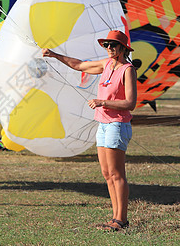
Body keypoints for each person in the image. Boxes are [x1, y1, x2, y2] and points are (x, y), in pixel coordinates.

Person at [42, 30, 137, 231]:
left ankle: (122, 219)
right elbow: (79, 65)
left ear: (122, 48)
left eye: (113, 45)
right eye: (106, 45)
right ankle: (115, 217)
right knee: (107, 174)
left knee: (117, 174)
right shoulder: (105, 64)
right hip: (103, 125)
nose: (109, 48)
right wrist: (55, 55)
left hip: (117, 125)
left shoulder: (128, 70)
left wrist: (103, 101)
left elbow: (131, 102)